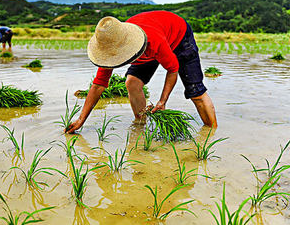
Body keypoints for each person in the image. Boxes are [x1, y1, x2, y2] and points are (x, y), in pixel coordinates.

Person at [66, 11, 217, 134]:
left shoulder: (154, 41)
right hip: (151, 43)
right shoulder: (110, 46)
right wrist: (80, 120)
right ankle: (141, 126)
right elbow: (98, 85)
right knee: (132, 83)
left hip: (179, 35)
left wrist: (162, 101)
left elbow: (172, 69)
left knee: (196, 92)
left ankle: (212, 134)